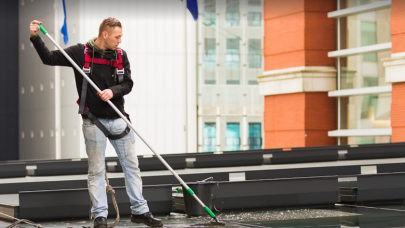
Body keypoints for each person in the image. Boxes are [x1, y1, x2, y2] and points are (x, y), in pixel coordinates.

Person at [29, 18, 163, 228]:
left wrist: (113, 91)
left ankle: (140, 211)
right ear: (104, 35)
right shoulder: (79, 53)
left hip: (119, 119)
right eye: (117, 36)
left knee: (132, 167)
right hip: (93, 121)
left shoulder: (121, 56)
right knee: (96, 170)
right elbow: (48, 58)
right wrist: (35, 37)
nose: (120, 40)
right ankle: (100, 216)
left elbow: (128, 83)